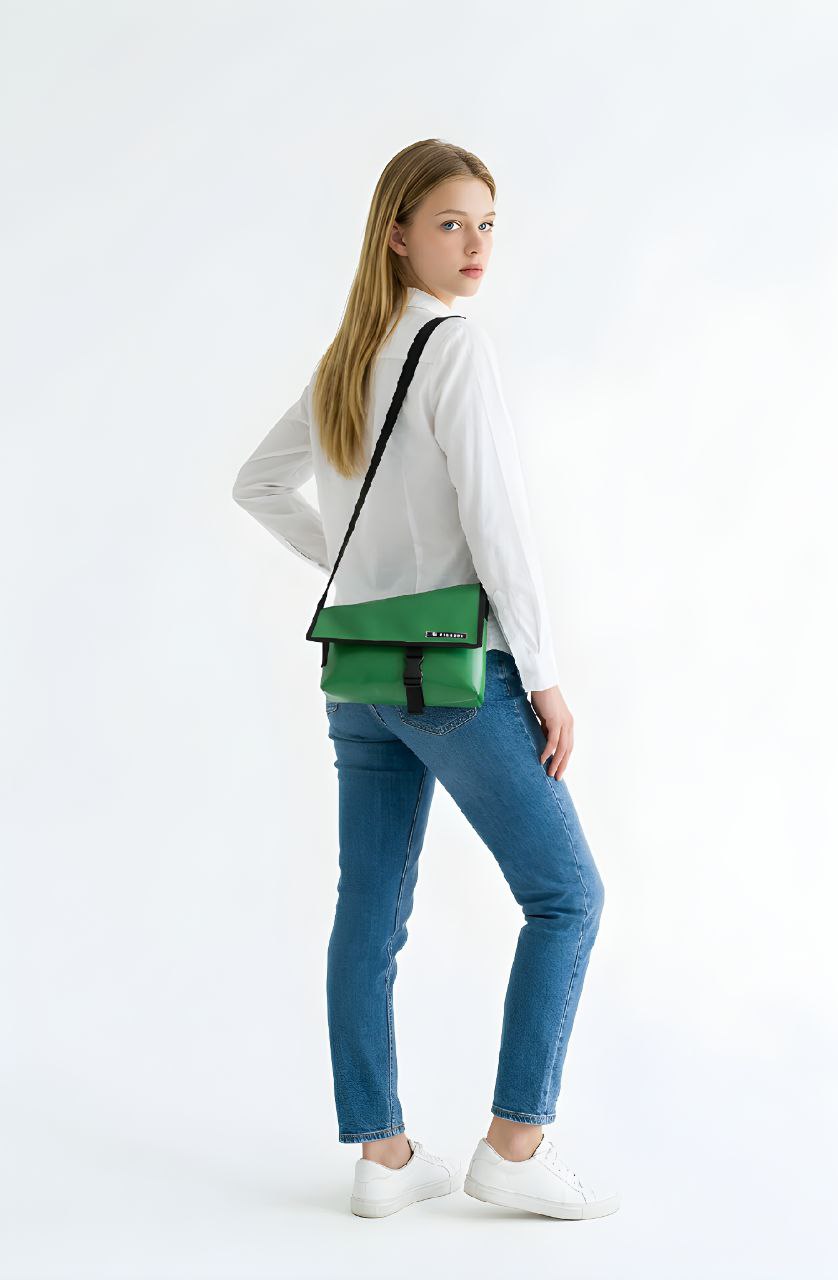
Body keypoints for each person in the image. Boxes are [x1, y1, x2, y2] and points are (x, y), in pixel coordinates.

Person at [232, 138, 618, 1222]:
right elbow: (498, 523)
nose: (475, 244)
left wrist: (364, 577)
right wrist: (543, 676)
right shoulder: (452, 345)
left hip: (358, 667)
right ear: (398, 233)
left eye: (487, 224)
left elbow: (259, 484)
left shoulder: (350, 355)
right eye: (452, 223)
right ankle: (514, 1144)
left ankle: (384, 1155)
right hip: (454, 676)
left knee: (369, 911)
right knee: (567, 896)